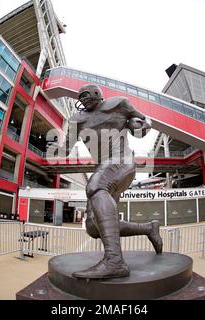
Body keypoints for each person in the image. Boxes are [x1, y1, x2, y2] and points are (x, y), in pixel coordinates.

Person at [49, 84, 162, 279]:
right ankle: (149, 228)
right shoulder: (77, 120)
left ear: (96, 94)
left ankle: (114, 261)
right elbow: (66, 149)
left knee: (95, 185)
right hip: (105, 170)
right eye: (80, 96)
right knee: (93, 226)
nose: (82, 99)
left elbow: (144, 121)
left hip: (122, 162)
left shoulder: (119, 104)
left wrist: (140, 124)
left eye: (85, 95)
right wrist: (56, 149)